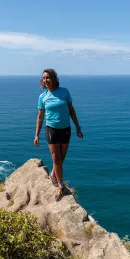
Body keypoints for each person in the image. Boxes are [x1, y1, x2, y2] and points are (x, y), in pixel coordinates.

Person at [34, 69, 83, 202]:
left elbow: (71, 111)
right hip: (52, 130)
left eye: (48, 77)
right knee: (56, 158)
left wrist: (78, 127)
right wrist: (36, 135)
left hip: (66, 129)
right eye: (44, 78)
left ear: (54, 79)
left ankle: (53, 174)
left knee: (61, 158)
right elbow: (40, 117)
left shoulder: (64, 92)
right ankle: (60, 186)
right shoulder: (42, 97)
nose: (45, 80)